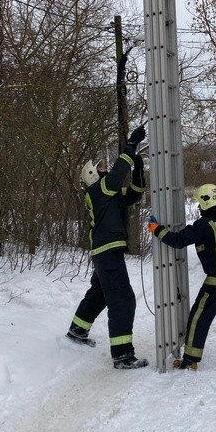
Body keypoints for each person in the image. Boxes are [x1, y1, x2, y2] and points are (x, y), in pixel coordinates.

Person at [66, 126, 149, 370]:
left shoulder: (109, 193)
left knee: (101, 292)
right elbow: (117, 173)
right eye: (101, 168)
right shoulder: (99, 189)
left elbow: (133, 195)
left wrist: (139, 171)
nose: (105, 168)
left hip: (104, 252)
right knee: (123, 300)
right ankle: (122, 355)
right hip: (107, 250)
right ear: (93, 175)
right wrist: (131, 145)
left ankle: (77, 329)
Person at [149, 184, 216, 371]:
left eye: (199, 204)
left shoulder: (204, 225)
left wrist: (157, 229)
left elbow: (179, 240)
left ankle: (190, 360)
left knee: (199, 317)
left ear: (205, 203)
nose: (197, 207)